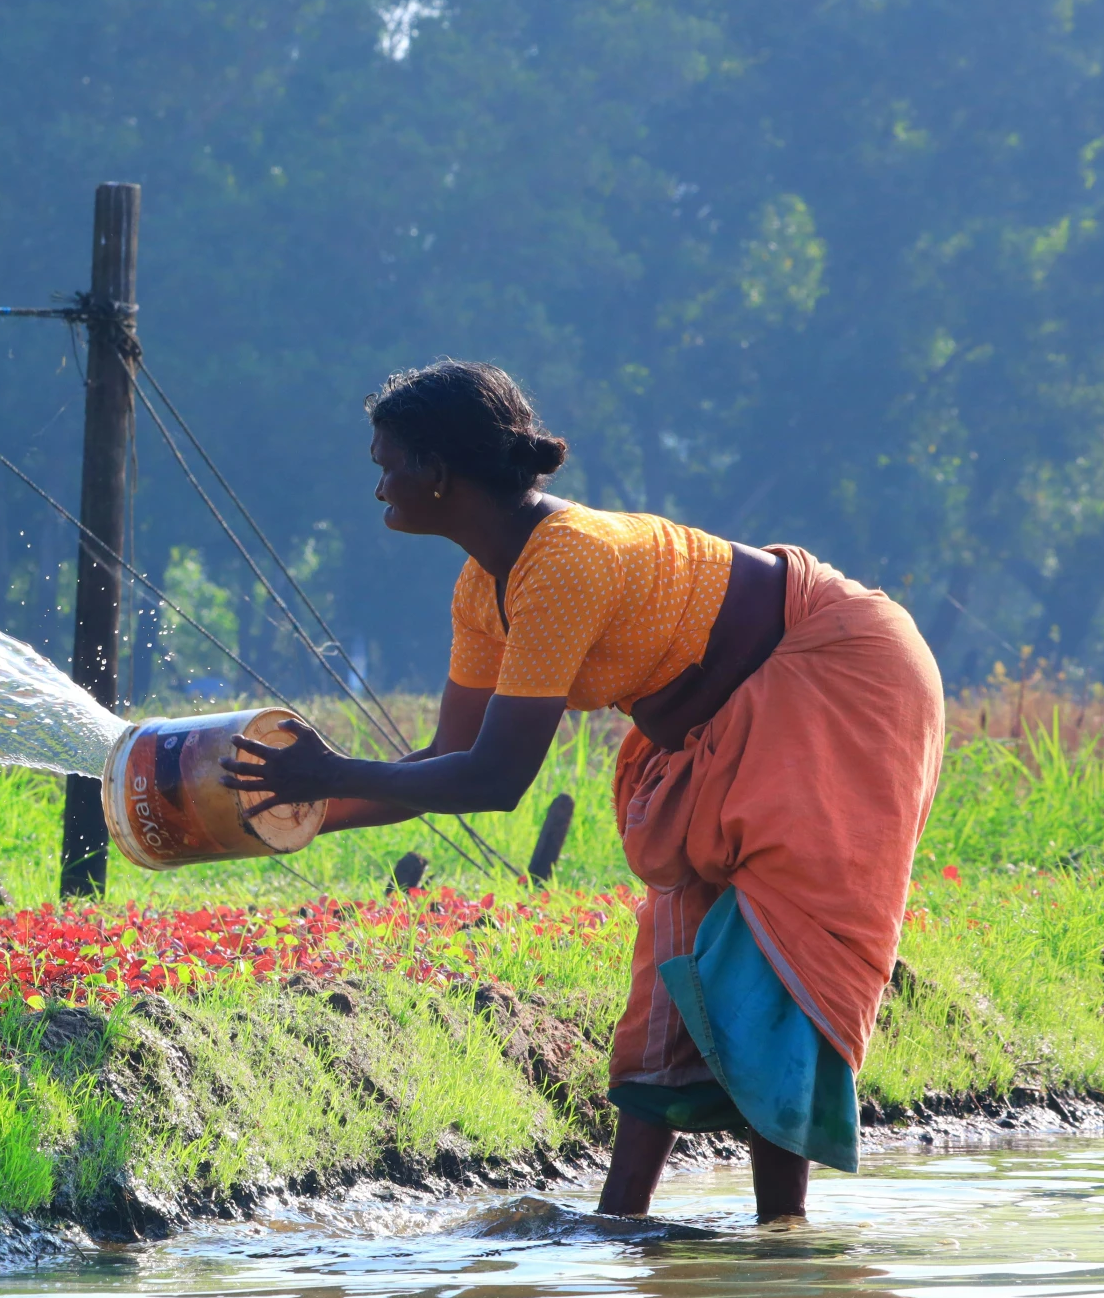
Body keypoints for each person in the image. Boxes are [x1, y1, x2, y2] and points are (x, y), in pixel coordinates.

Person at [221, 360, 944, 1222]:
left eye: (388, 464)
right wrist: (287, 812)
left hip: (833, 678)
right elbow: (443, 761)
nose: (378, 483)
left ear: (441, 474)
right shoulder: (480, 589)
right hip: (717, 730)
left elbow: (495, 780)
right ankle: (619, 1225)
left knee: (768, 953)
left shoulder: (565, 560)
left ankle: (779, 1240)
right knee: (674, 961)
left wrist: (331, 771)